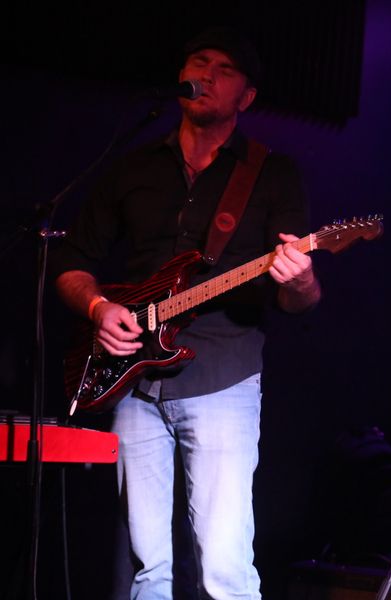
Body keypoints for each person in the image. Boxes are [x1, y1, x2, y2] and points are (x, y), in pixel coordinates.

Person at [52, 27, 320, 599]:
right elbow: (72, 263)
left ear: (247, 96)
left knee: (224, 569)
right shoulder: (133, 167)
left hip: (223, 379)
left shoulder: (271, 173)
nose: (208, 74)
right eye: (200, 61)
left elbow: (298, 301)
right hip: (132, 384)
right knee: (144, 570)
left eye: (225, 69)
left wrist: (302, 278)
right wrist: (99, 307)